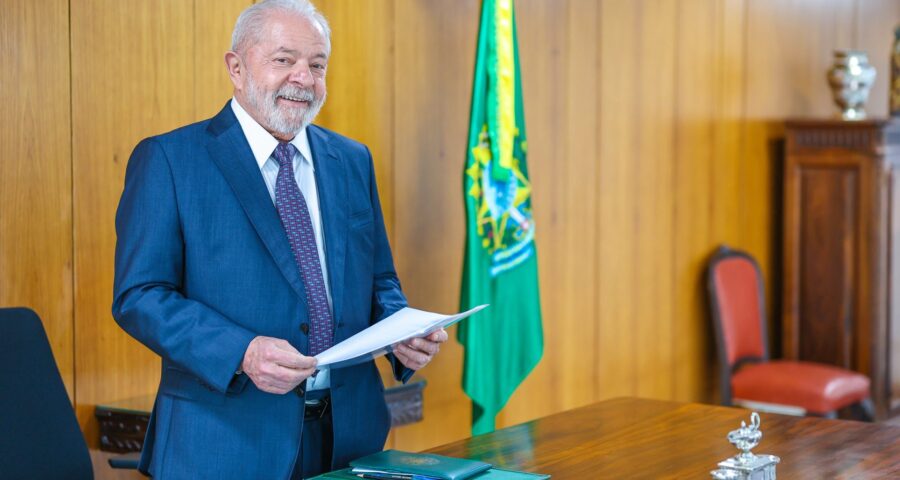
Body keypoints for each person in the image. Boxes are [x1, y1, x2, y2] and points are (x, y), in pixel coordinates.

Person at [112, 0, 448, 478]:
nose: (303, 79)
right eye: (283, 60)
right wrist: (241, 352)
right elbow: (139, 296)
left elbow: (379, 281)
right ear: (236, 66)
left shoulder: (352, 160)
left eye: (317, 65)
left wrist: (401, 331)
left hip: (347, 438)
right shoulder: (170, 160)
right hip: (225, 443)